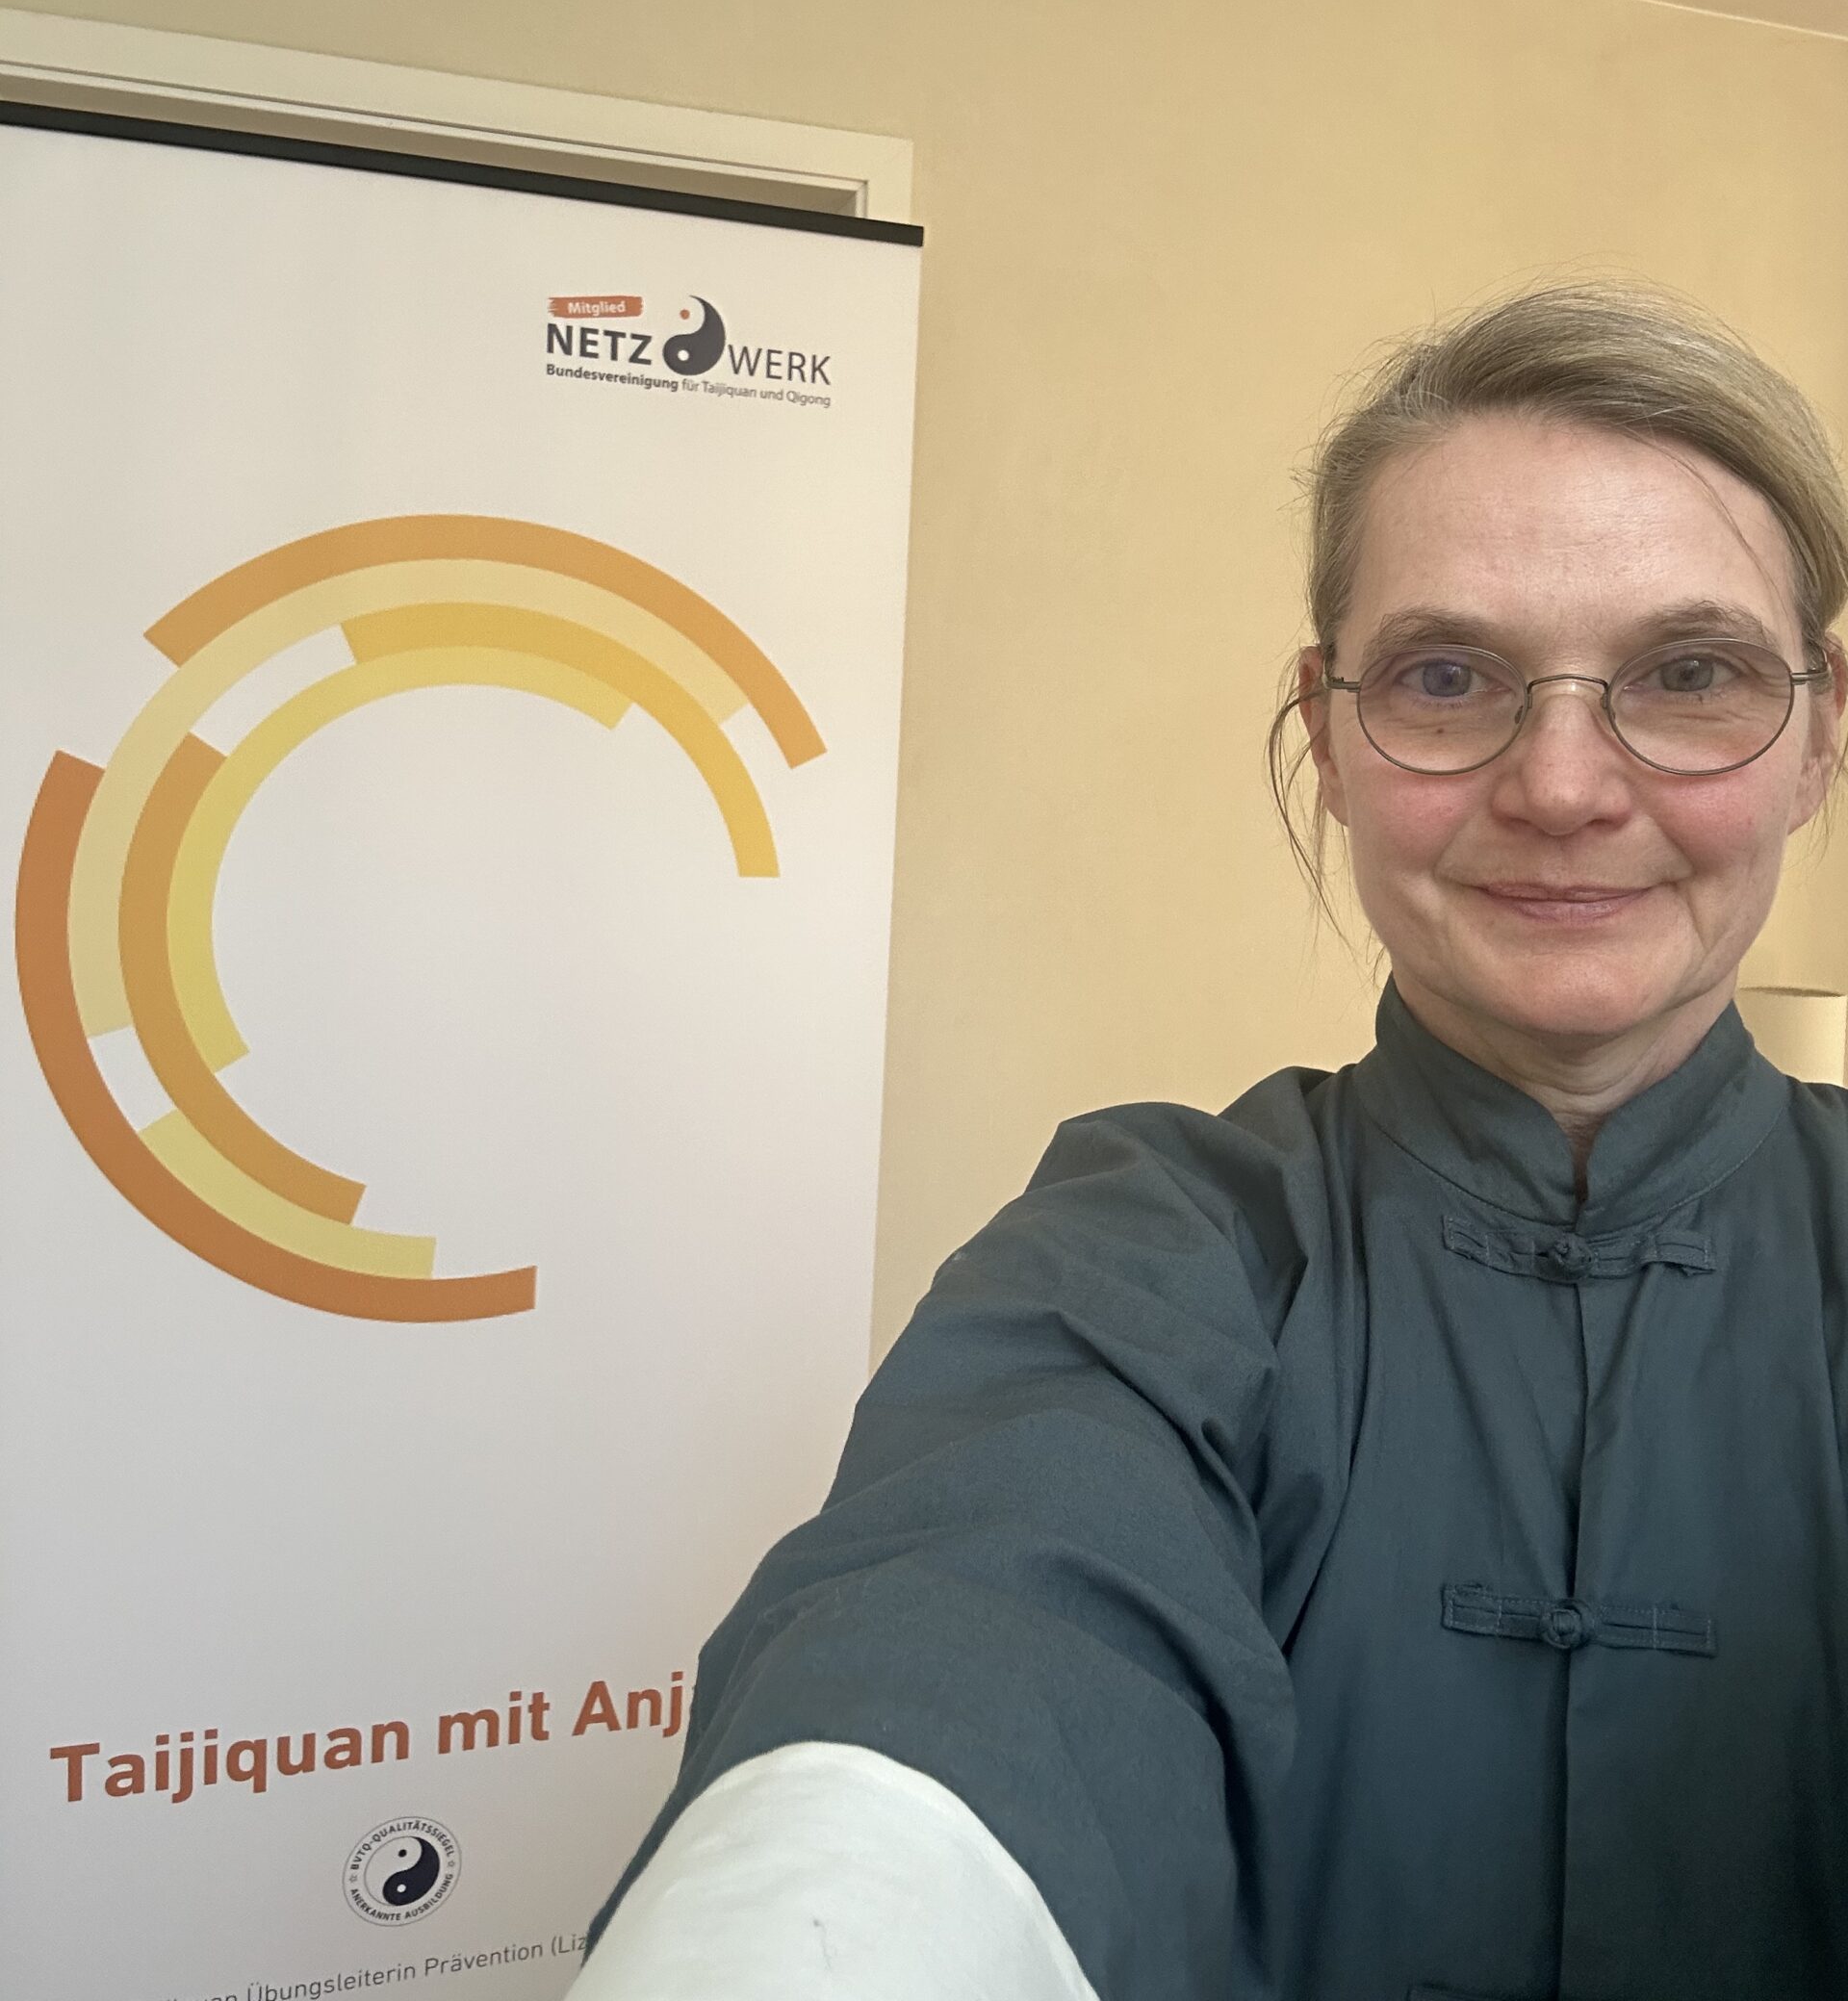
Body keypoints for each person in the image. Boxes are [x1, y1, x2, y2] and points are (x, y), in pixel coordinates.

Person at [575, 283, 1848, 2001]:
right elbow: (963, 1625)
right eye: (1448, 676)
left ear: (1820, 732)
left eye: (1689, 675)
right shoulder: (1147, 1243)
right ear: (1327, 733)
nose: (1561, 785)